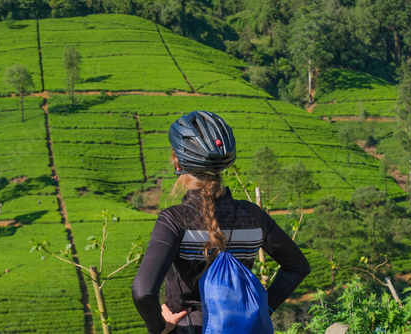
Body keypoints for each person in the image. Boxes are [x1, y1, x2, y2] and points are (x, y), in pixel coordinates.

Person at [132, 111, 311, 334]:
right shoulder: (253, 216)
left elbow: (143, 292)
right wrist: (263, 308)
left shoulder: (174, 220)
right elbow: (297, 266)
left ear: (178, 163)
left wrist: (159, 328)